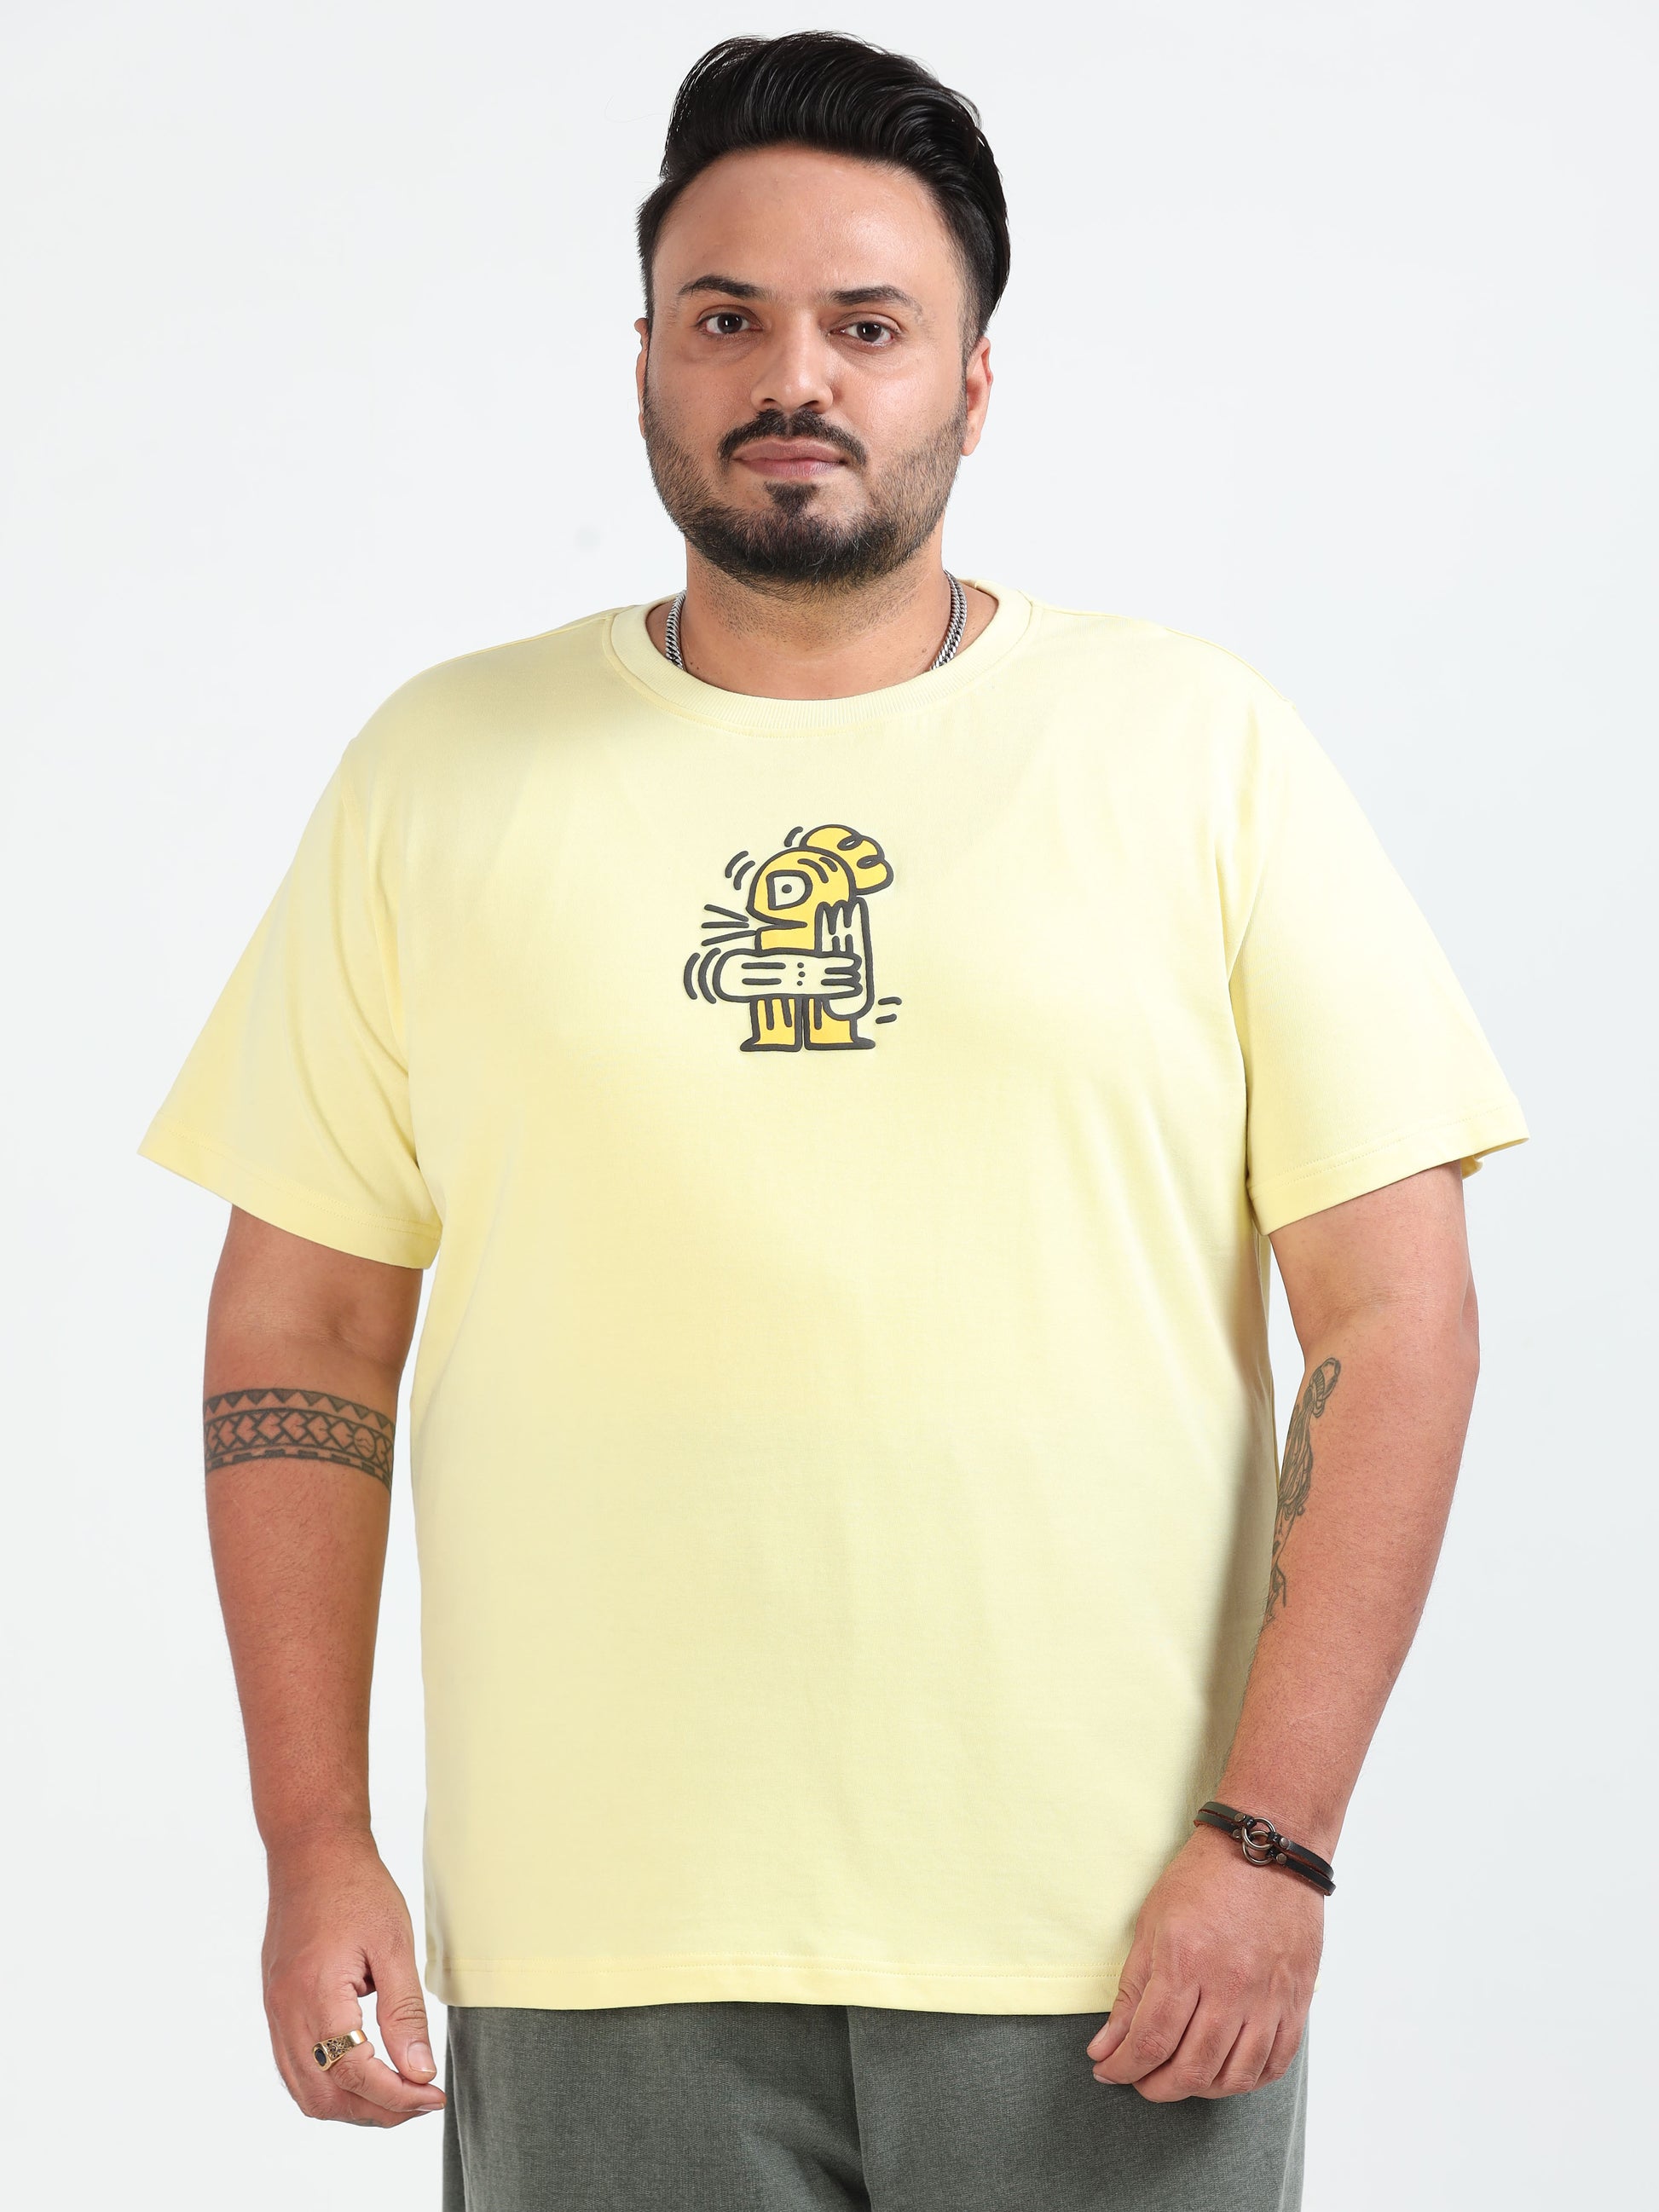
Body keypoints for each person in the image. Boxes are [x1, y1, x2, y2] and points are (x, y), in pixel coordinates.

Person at [139, 30, 1529, 2211]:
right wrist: (313, 1841)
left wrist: (1273, 1835)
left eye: (868, 325)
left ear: (973, 377)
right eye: (727, 318)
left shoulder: (1197, 753)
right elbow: (300, 1329)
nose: (795, 375)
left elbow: (1394, 1311)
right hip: (595, 1945)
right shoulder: (439, 772)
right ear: (641, 364)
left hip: (1114, 1941)